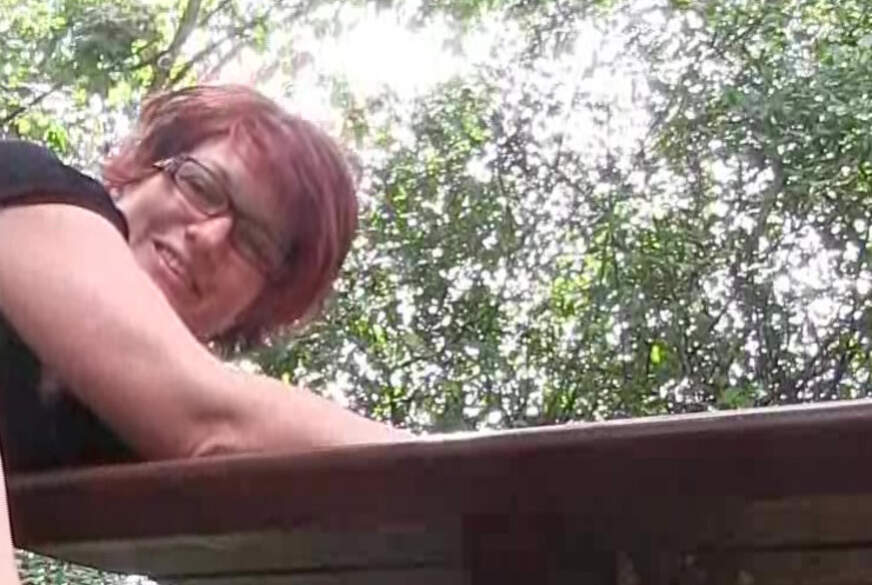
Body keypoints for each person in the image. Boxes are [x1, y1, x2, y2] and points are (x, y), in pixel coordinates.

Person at [0, 84, 408, 472]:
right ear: (141, 173)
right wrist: (442, 465)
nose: (210, 238)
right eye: (200, 186)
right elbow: (210, 419)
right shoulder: (23, 184)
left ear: (252, 308)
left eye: (254, 243)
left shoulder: (131, 450)